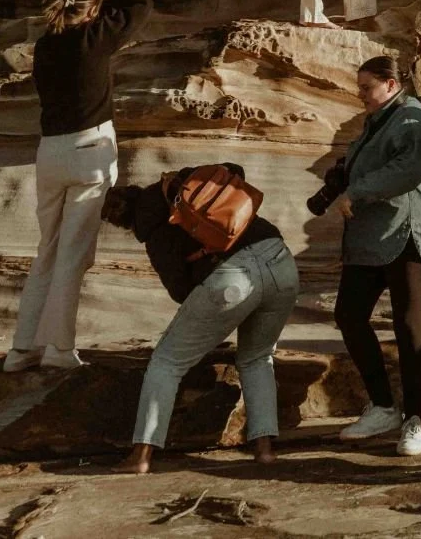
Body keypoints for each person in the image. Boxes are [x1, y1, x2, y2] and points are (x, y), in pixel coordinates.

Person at [103, 165, 300, 473]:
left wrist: (198, 262)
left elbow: (182, 291)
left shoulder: (155, 233)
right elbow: (235, 171)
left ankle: (140, 457)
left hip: (231, 279)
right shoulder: (183, 182)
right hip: (279, 258)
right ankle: (264, 450)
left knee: (167, 362)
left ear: (127, 224)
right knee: (257, 357)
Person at [6, 0, 153, 372]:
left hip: (49, 153)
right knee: (72, 256)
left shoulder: (44, 46)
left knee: (48, 251)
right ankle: (58, 348)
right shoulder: (93, 38)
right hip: (88, 152)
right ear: (91, 11)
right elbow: (139, 4)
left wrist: (98, 3)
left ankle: (21, 350)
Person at [318, 54, 421, 458]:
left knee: (408, 326)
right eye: (360, 88)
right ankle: (383, 407)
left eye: (366, 87)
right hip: (372, 237)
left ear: (391, 85)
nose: (361, 96)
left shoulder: (414, 118)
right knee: (349, 315)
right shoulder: (379, 119)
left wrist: (356, 191)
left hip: (410, 234)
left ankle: (414, 420)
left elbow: (410, 170)